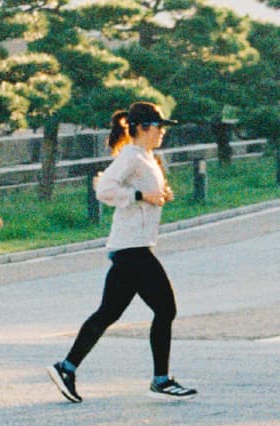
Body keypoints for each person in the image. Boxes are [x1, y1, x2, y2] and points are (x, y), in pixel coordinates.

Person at [48, 101, 197, 402]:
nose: (162, 133)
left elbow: (144, 195)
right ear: (143, 128)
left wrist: (158, 196)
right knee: (166, 309)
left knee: (107, 314)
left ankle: (66, 367)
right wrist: (141, 195)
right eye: (159, 128)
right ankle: (161, 380)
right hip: (133, 249)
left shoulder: (146, 157)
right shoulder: (131, 156)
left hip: (131, 246)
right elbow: (104, 189)